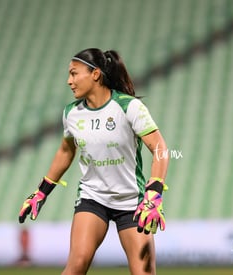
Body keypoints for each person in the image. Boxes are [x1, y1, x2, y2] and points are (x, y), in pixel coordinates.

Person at [18, 48, 169, 275]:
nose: (69, 81)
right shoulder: (71, 113)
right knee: (76, 265)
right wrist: (41, 192)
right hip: (93, 197)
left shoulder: (129, 107)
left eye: (74, 73)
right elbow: (65, 152)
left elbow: (160, 148)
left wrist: (154, 192)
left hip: (132, 202)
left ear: (95, 74)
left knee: (144, 273)